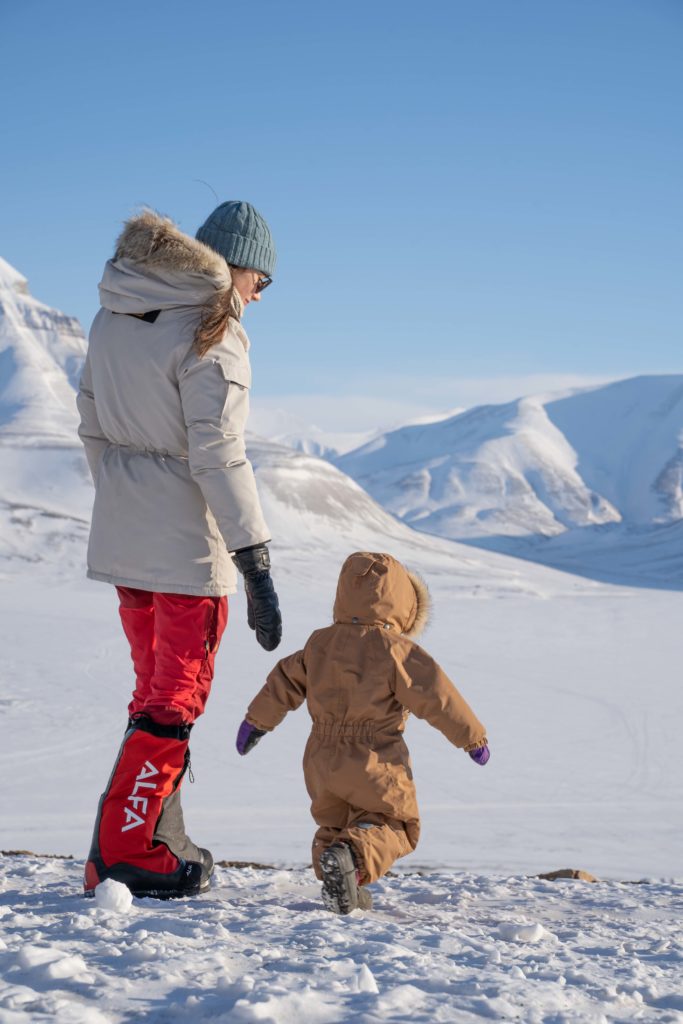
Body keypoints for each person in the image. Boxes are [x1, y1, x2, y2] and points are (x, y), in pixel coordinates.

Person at [77, 201, 282, 899]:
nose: (261, 294)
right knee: (176, 697)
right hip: (188, 547)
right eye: (264, 279)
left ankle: (155, 836)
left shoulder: (117, 312)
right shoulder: (212, 329)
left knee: (152, 692)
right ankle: (127, 850)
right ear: (238, 266)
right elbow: (218, 455)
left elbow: (92, 423)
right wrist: (254, 558)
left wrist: (125, 498)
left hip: (124, 530)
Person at [235, 551, 489, 914]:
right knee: (395, 823)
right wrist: (472, 738)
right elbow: (436, 694)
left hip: (320, 759)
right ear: (403, 604)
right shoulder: (396, 650)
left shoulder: (319, 643)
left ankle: (343, 884)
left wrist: (255, 723)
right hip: (374, 757)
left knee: (335, 823)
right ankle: (350, 859)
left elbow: (283, 682)